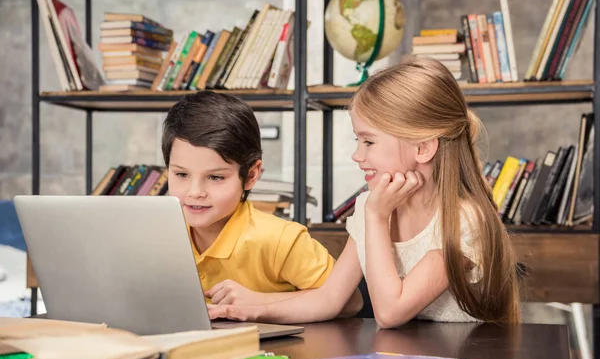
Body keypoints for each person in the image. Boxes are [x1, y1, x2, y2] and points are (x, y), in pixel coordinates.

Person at [208, 56, 522, 328]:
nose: (358, 155)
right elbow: (330, 298)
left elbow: (390, 312)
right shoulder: (373, 206)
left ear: (423, 148)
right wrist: (246, 312)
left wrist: (376, 216)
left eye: (368, 141)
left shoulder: (463, 223)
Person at [162, 91, 363, 314]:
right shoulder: (156, 234)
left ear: (250, 175)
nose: (195, 192)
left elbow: (350, 302)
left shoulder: (281, 240)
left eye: (215, 177)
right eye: (181, 175)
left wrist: (260, 301)